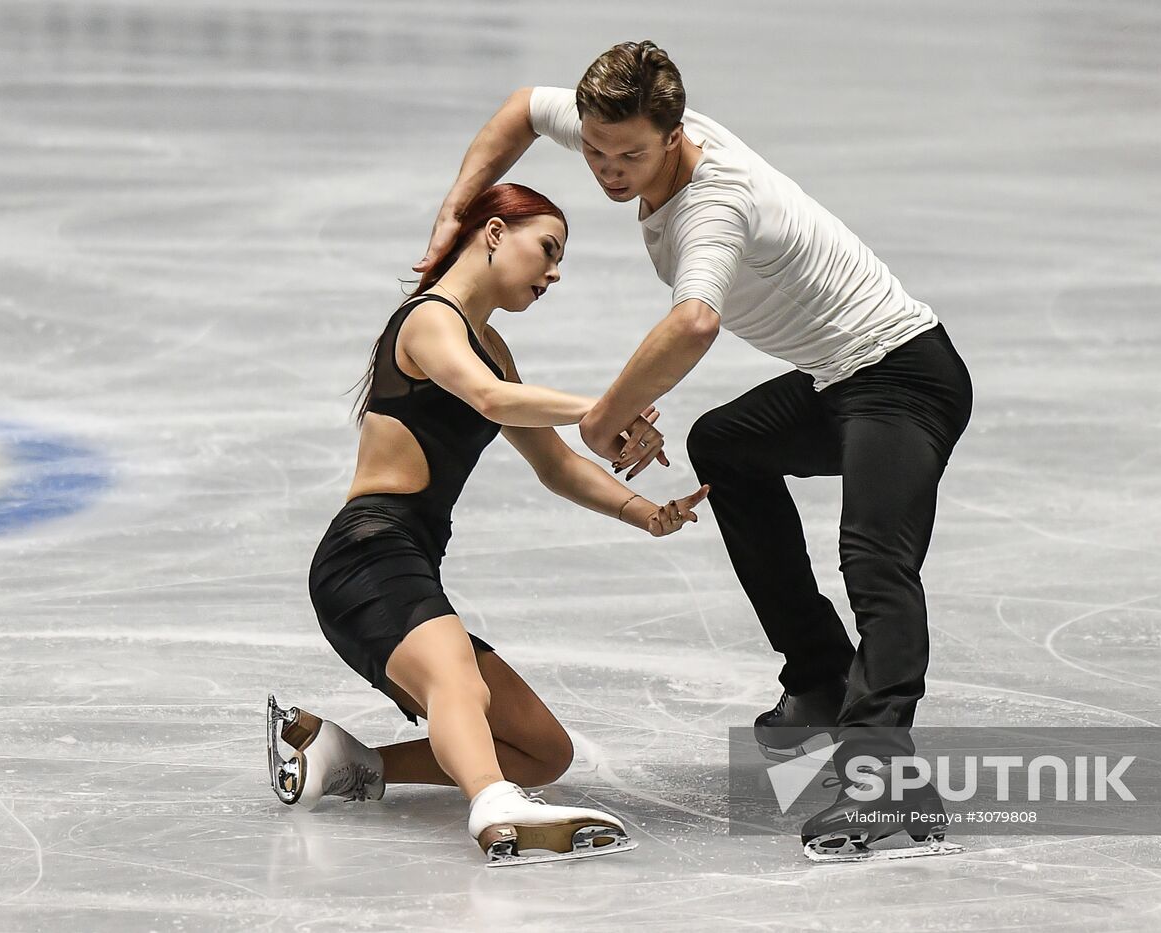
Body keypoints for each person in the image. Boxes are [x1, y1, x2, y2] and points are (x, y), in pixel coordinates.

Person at [416, 42, 973, 861]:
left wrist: (608, 413)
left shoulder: (713, 204)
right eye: (597, 153)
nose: (609, 171)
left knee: (873, 559)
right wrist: (449, 216)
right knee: (727, 445)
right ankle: (820, 678)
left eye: (630, 156)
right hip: (836, 381)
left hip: (905, 375)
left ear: (674, 134)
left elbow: (695, 322)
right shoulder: (614, 126)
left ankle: (886, 786)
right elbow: (519, 112)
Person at [268, 182, 709, 867]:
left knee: (542, 748)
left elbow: (556, 464)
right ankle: (493, 802)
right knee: (460, 686)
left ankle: (349, 762)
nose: (554, 272)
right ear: (496, 233)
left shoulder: (493, 346)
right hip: (367, 556)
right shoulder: (427, 320)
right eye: (549, 249)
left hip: (407, 558)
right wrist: (610, 407)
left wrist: (649, 513)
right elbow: (489, 397)